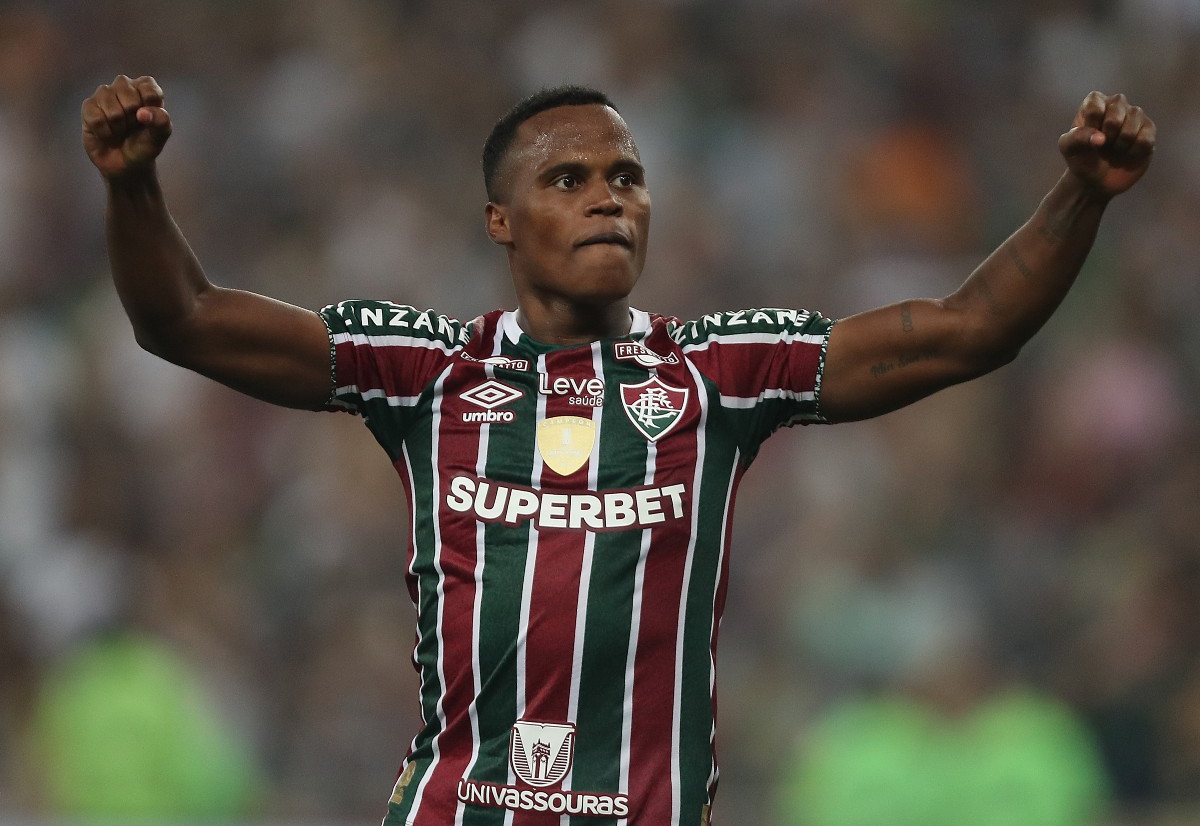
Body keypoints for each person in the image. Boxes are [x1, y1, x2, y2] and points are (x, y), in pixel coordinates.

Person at [81, 75, 1155, 825]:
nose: (610, 195)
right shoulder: (428, 371)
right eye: (569, 179)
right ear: (500, 219)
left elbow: (971, 329)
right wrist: (134, 187)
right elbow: (183, 317)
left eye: (628, 176)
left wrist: (1080, 197)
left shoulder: (715, 375)